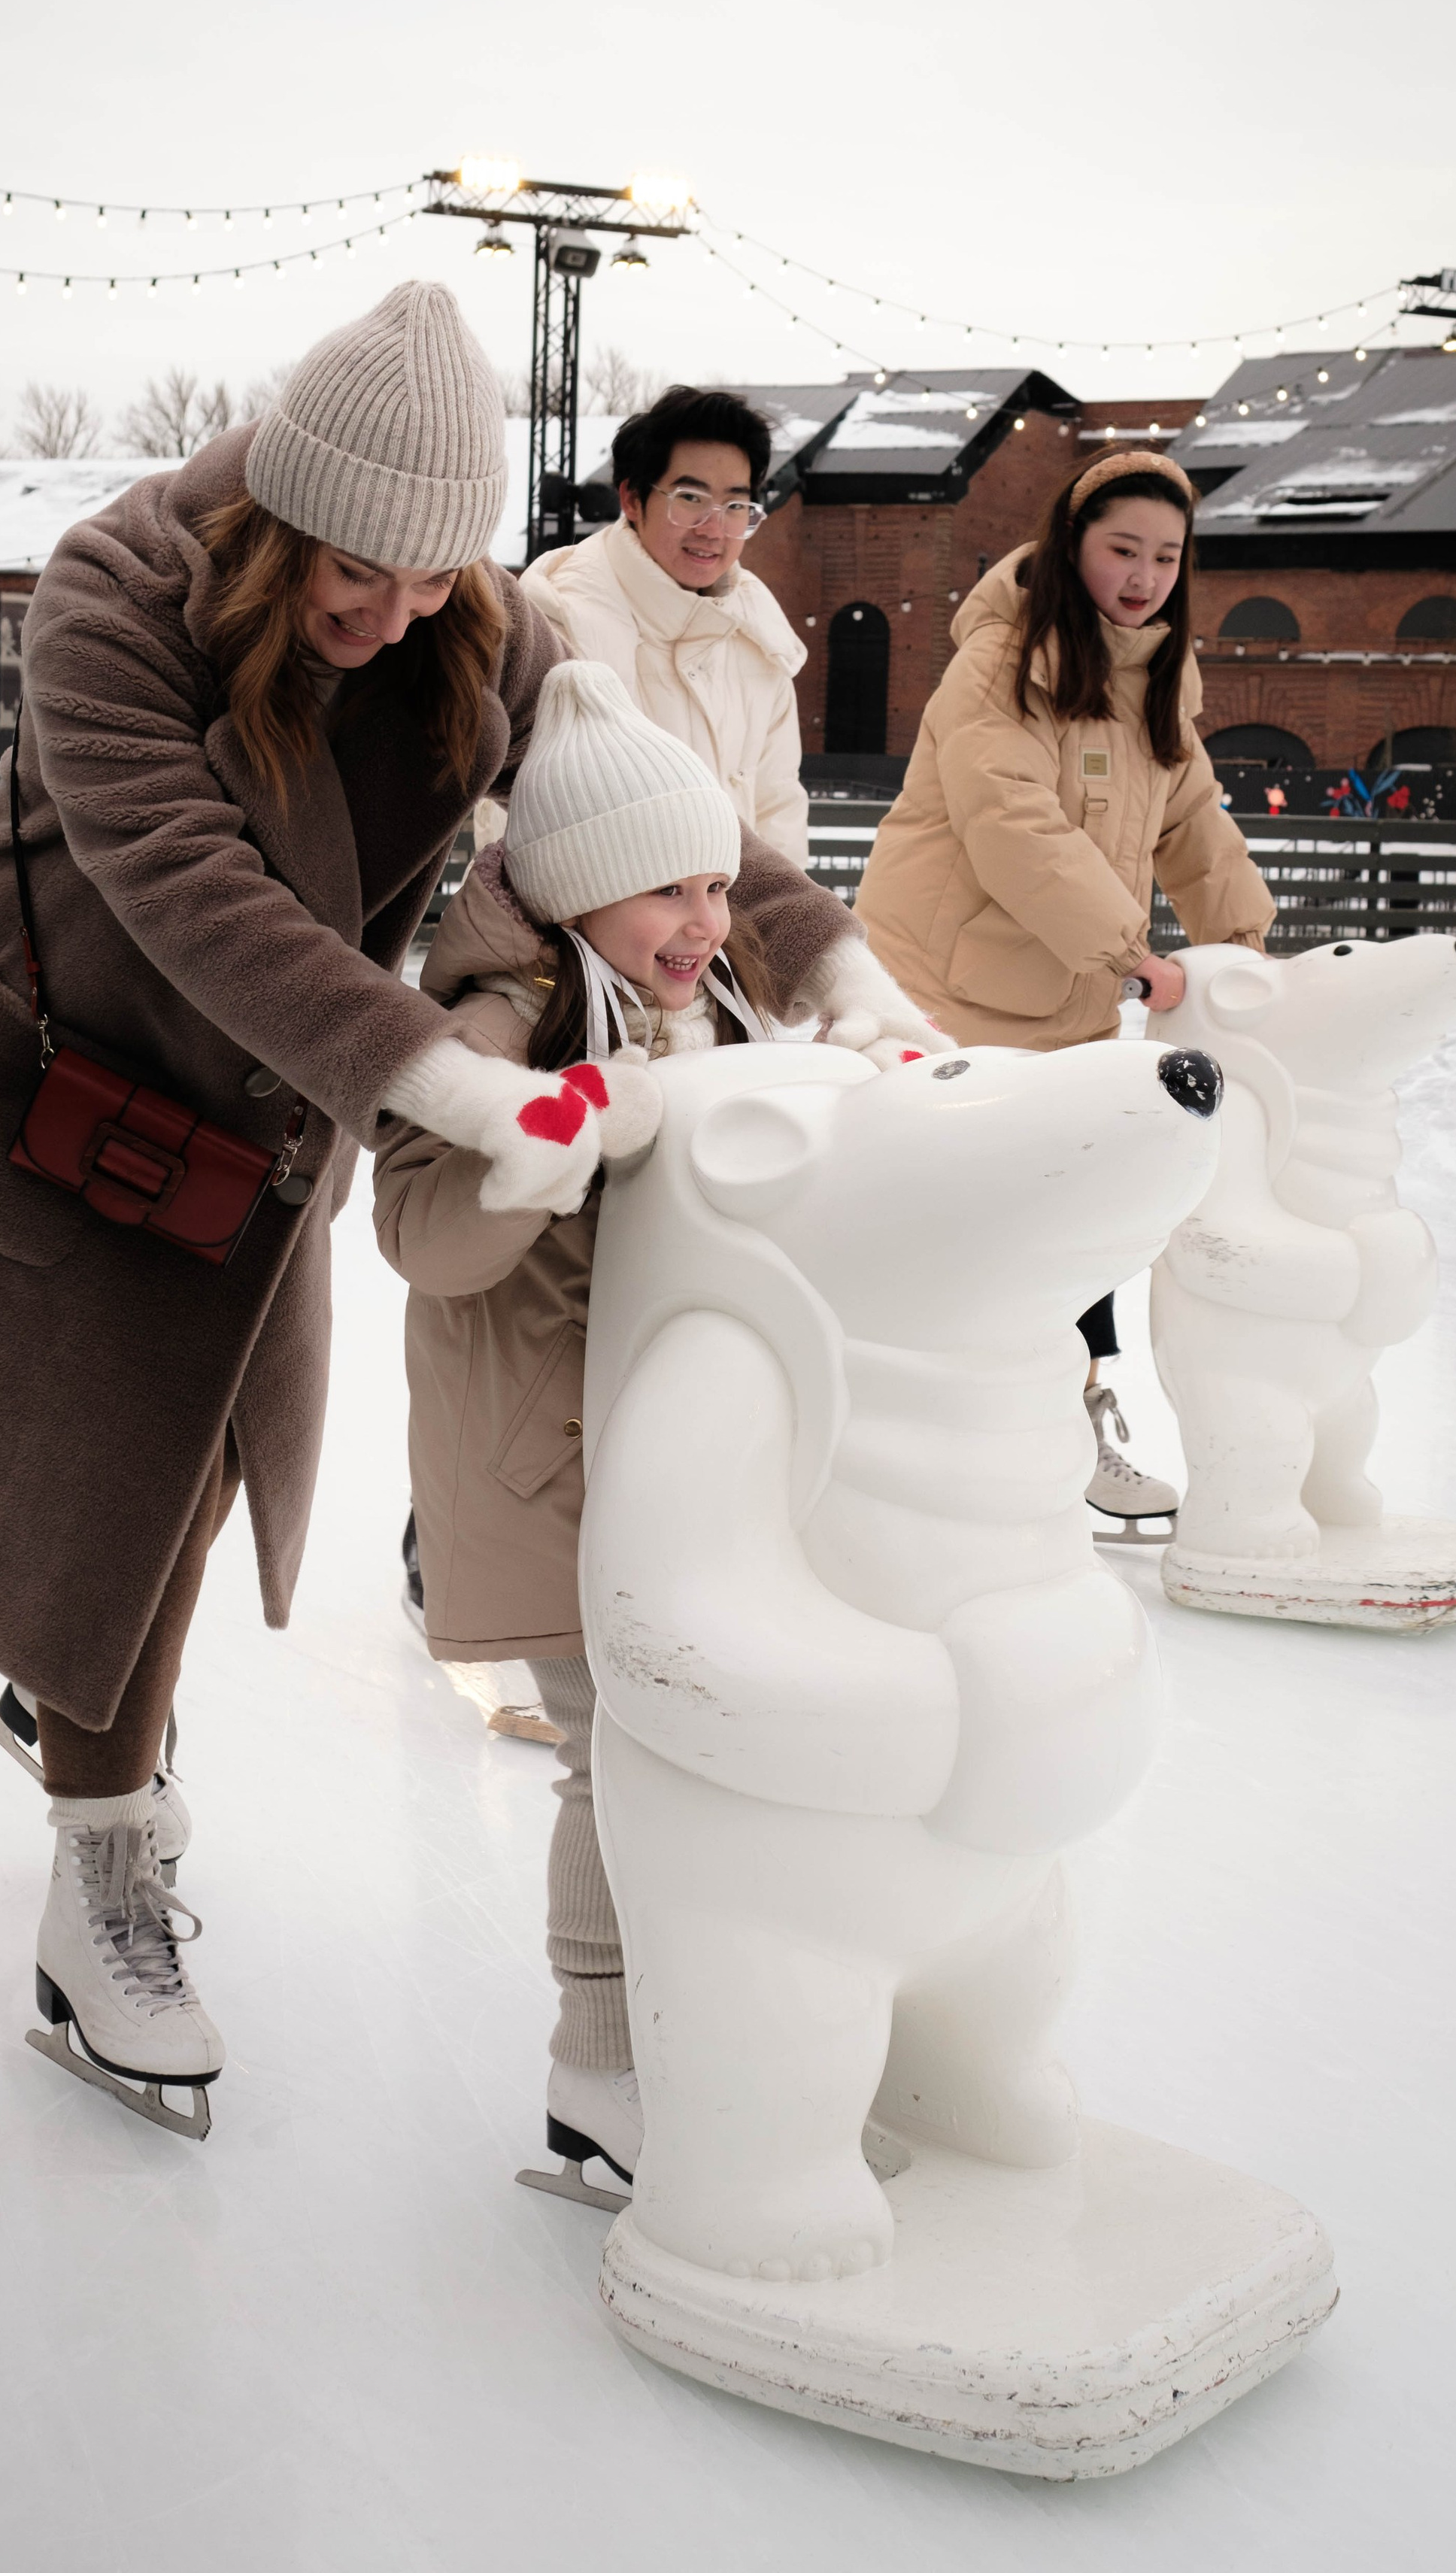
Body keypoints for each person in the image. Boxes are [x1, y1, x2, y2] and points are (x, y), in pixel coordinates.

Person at [0, 282, 927, 2136]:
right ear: (274, 513)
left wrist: (831, 967)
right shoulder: (111, 596)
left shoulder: (472, 638)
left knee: (184, 1473)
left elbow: (647, 812)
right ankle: (99, 1858)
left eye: (435, 578)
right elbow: (196, 891)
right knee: (110, 1480)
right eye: (358, 571)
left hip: (275, 1103)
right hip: (58, 1073)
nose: (396, 612)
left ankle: (93, 1698)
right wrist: (454, 1082)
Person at [374, 660, 942, 2192]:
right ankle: (597, 2069)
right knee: (616, 1759)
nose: (702, 919)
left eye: (711, 881)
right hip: (555, 1458)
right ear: (571, 895)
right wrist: (547, 1148)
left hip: (705, 1457)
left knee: (704, 1750)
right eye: (659, 895)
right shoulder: (503, 1019)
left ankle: (712, 2033)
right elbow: (422, 1240)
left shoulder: (724, 999)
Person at [852, 448, 1276, 1527]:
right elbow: (1013, 827)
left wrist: (1248, 943)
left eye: (1165, 558)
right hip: (943, 988)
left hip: (1069, 997)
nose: (1141, 578)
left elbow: (1191, 821)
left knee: (1079, 1215)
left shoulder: (1160, 679)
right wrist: (1129, 951)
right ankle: (893, 1434)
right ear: (1071, 546)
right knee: (953, 1219)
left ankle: (1075, 1421)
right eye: (1120, 549)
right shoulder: (1000, 664)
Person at [515, 385, 808, 863]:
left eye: (736, 506)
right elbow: (522, 827)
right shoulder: (562, 621)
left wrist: (778, 934)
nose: (714, 529)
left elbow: (779, 811)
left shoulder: (759, 636)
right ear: (632, 499)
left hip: (734, 933)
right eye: (690, 498)